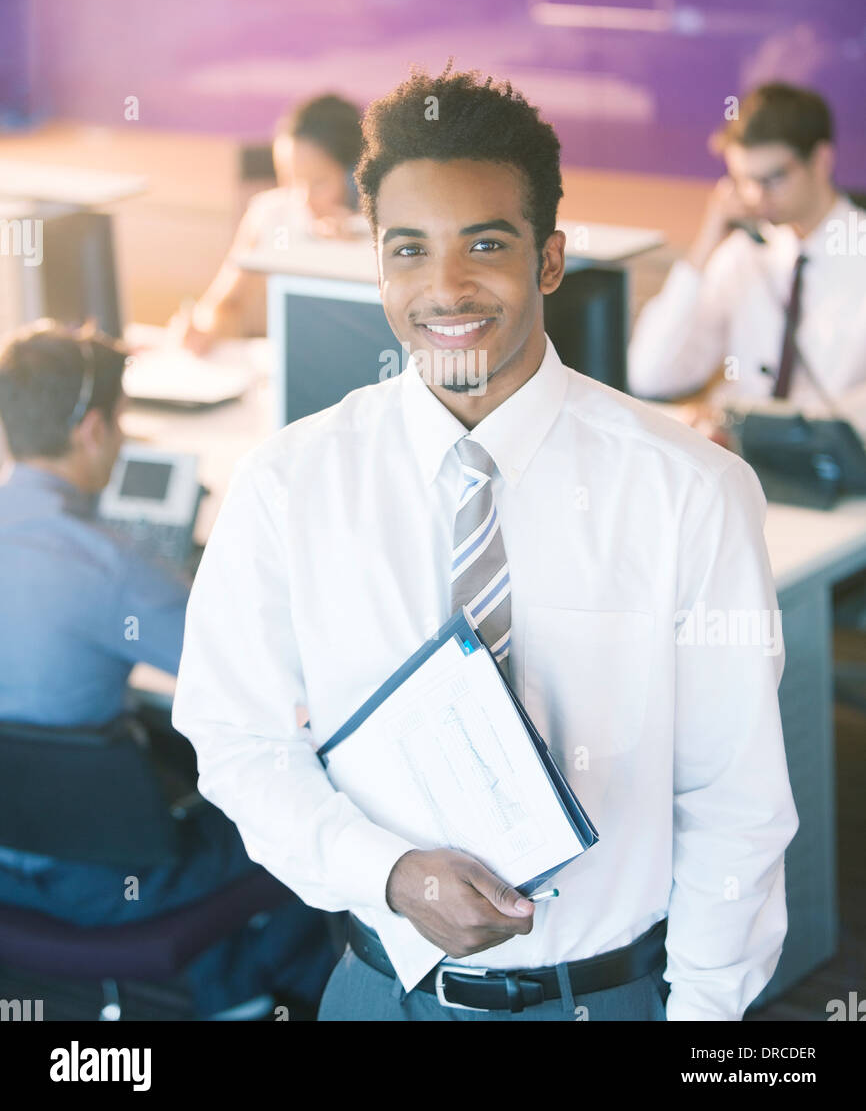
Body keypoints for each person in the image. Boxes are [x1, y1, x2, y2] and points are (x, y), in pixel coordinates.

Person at [173, 64, 799, 1022]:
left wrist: (706, 1019)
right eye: (409, 250)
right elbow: (235, 738)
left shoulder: (691, 493)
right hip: (379, 993)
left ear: (549, 262)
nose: (445, 287)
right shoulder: (291, 484)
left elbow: (736, 802)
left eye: (486, 244)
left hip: (603, 997)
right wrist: (384, 873)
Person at [0, 320, 336, 1018]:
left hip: (9, 863)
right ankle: (248, 993)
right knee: (300, 812)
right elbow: (261, 676)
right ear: (93, 429)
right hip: (99, 881)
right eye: (120, 425)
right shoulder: (107, 567)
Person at [628, 83, 866, 440]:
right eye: (742, 180)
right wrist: (705, 246)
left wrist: (780, 428)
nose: (755, 197)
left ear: (820, 160)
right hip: (745, 464)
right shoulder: (742, 251)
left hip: (839, 474)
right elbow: (651, 375)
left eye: (772, 179)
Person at [171, 93, 366, 354]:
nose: (304, 200)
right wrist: (205, 329)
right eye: (290, 180)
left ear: (355, 175)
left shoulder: (385, 227)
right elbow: (227, 302)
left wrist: (364, 244)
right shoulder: (271, 213)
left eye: (319, 182)